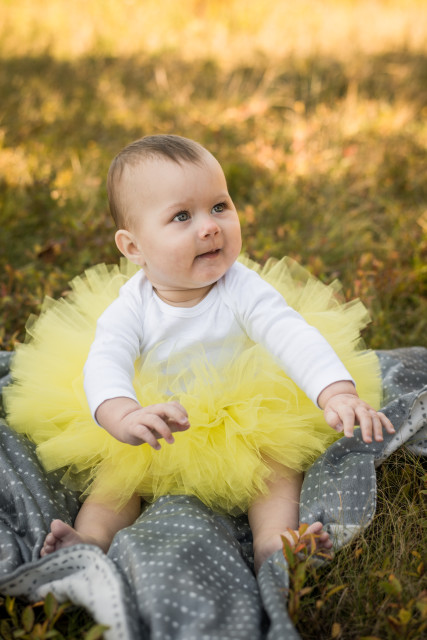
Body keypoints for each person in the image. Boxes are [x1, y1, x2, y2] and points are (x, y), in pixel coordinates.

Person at [5, 134, 394, 573]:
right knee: (115, 482)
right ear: (133, 247)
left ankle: (273, 539)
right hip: (154, 420)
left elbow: (290, 334)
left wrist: (335, 392)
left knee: (276, 467)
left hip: (244, 418)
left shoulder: (242, 288)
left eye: (219, 206)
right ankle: (91, 538)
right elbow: (105, 362)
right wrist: (124, 416)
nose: (209, 227)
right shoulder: (131, 306)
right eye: (182, 216)